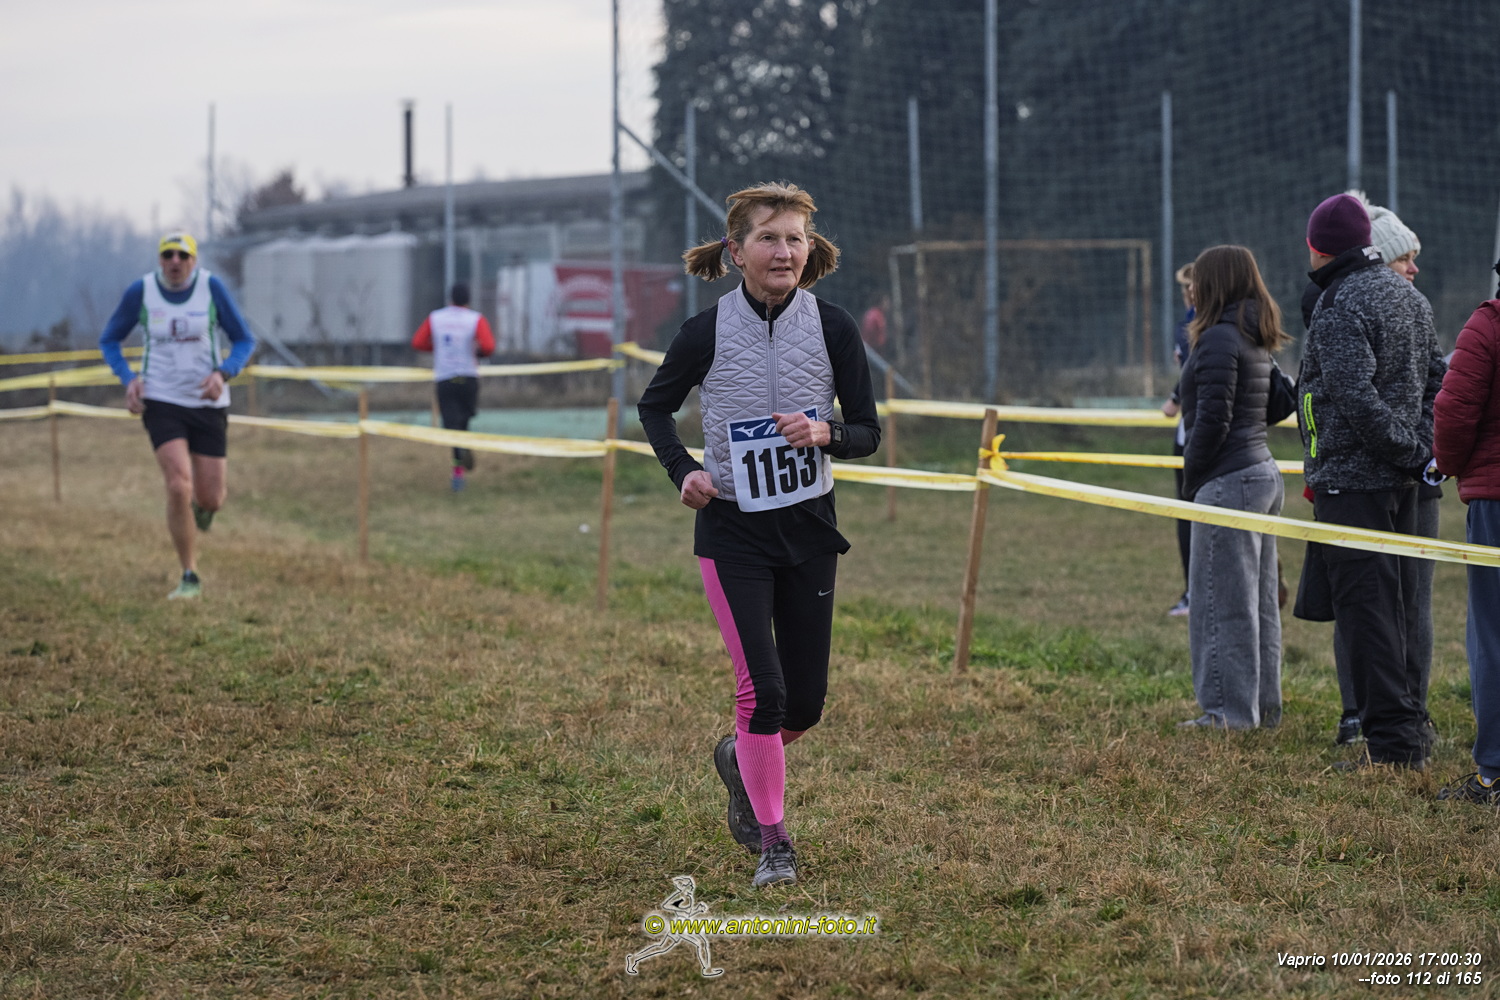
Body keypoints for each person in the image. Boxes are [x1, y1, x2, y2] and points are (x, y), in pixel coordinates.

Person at [638, 182, 880, 889]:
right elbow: (655, 408)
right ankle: (775, 843)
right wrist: (684, 470)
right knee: (763, 694)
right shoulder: (704, 332)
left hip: (809, 528)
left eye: (794, 239)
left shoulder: (834, 328)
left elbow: (869, 431)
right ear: (736, 251)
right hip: (732, 531)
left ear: (810, 250)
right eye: (768, 238)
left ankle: (737, 756)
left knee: (804, 706)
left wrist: (826, 433)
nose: (784, 251)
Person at [1294, 193, 1446, 770]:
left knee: (1368, 617)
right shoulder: (1410, 298)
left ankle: (1392, 748)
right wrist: (1419, 452)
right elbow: (1437, 383)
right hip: (1402, 483)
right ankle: (1409, 731)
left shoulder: (1338, 303)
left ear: (1316, 247)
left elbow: (1353, 398)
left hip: (1353, 481)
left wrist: (1407, 451)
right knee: (1398, 611)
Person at [99, 231, 256, 600]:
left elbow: (244, 339)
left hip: (207, 401)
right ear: (159, 260)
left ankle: (202, 510)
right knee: (177, 485)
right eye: (167, 255)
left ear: (193, 261)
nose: (174, 262)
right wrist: (128, 378)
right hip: (161, 400)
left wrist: (223, 373)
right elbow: (109, 339)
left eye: (182, 256)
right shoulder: (141, 292)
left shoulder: (211, 288)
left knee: (211, 497)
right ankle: (189, 574)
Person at [1175, 246, 1292, 730]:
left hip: (1230, 480)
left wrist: (1192, 478)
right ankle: (1262, 708)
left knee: (1221, 603)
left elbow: (1212, 420)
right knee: (1258, 604)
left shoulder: (1219, 338)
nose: (1192, 289)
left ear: (1214, 283)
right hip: (1259, 472)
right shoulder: (1251, 333)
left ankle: (1228, 712)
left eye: (1197, 281)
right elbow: (1271, 403)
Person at [1432, 267, 1500, 804]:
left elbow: (1453, 411)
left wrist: (1448, 465)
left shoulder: (1488, 325)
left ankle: (1494, 772)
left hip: (1495, 503)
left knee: (1492, 634)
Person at [411, 283, 495, 492]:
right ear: (468, 300)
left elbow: (418, 342)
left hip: (446, 379)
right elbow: (488, 346)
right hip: (468, 378)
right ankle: (462, 452)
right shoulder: (475, 319)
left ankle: (458, 470)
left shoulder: (436, 318)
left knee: (452, 427)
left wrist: (438, 348)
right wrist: (478, 353)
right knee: (463, 423)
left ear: (450, 299)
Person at [1160, 263, 1196, 617]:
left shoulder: (1200, 323)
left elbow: (1194, 370)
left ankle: (1195, 592)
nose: (1187, 293)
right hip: (1192, 433)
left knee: (1191, 515)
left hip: (1198, 436)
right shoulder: (1190, 320)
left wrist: (1174, 397)